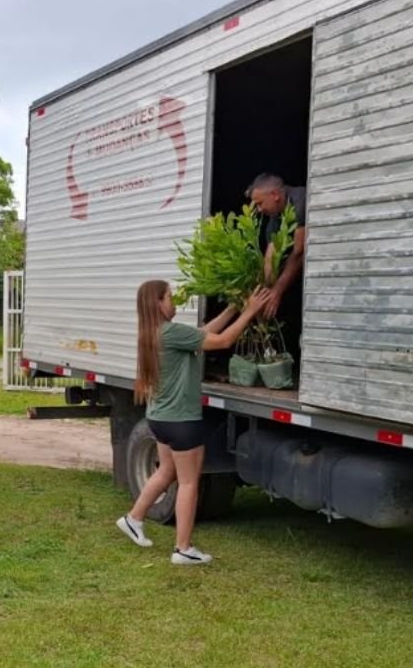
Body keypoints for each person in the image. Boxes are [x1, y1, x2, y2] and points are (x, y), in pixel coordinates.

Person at [116, 280, 269, 565]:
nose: (174, 302)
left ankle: (134, 518)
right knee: (188, 482)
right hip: (181, 421)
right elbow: (222, 342)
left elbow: (201, 334)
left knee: (165, 473)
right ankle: (183, 548)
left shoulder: (153, 333)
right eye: (170, 297)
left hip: (159, 418)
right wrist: (250, 312)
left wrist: (234, 309)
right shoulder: (171, 333)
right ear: (158, 303)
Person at [246, 173, 307, 362]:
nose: (258, 209)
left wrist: (277, 292)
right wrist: (263, 293)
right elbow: (270, 258)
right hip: (294, 276)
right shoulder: (274, 217)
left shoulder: (301, 201)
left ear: (275, 194)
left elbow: (299, 251)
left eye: (259, 203)